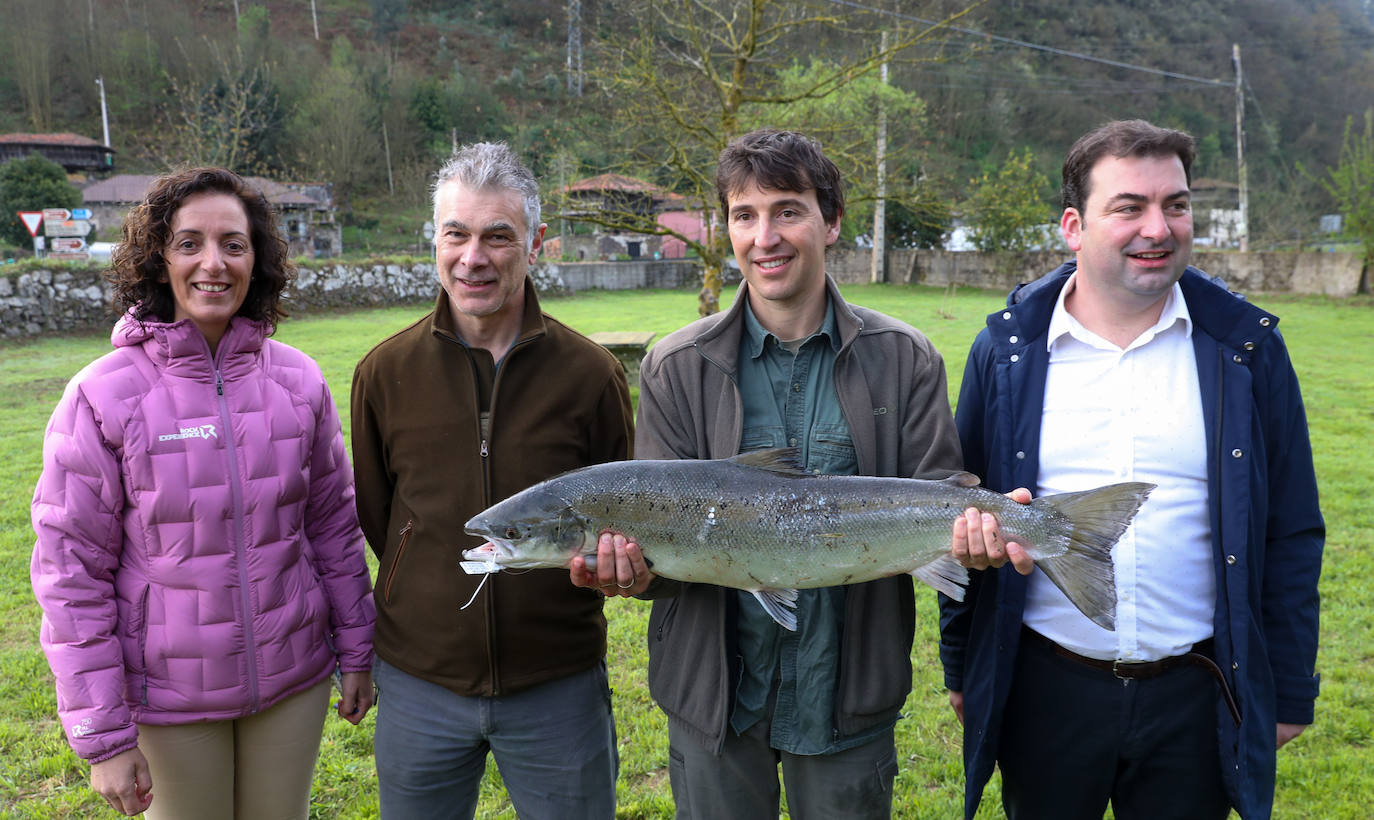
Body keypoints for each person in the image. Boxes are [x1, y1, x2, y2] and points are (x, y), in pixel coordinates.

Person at [571, 128, 1028, 820]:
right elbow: (660, 550)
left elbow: (942, 500)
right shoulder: (674, 367)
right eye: (744, 215)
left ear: (832, 221)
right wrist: (629, 573)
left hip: (848, 701)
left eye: (788, 210)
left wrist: (975, 538)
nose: (766, 237)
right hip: (714, 703)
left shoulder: (907, 359)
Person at [940, 119, 1325, 820]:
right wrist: (965, 668)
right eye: (1129, 207)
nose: (1160, 226)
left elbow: (1293, 529)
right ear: (1073, 226)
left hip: (1199, 691)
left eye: (1175, 205)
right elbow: (958, 513)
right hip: (1047, 687)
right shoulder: (1008, 353)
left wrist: (1291, 687)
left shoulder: (1245, 352)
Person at [30, 167, 376, 819]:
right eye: (189, 243)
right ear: (159, 261)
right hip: (166, 695)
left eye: (233, 244)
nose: (212, 263)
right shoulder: (103, 396)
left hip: (291, 682)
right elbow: (69, 575)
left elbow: (334, 530)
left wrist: (358, 650)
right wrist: (103, 735)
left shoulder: (300, 382)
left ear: (258, 260)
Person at [350, 141, 634, 819]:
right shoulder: (383, 374)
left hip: (557, 686)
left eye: (497, 237)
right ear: (436, 240)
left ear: (534, 243)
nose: (473, 257)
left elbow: (625, 512)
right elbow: (378, 517)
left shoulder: (591, 375)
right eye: (457, 234)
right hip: (420, 687)